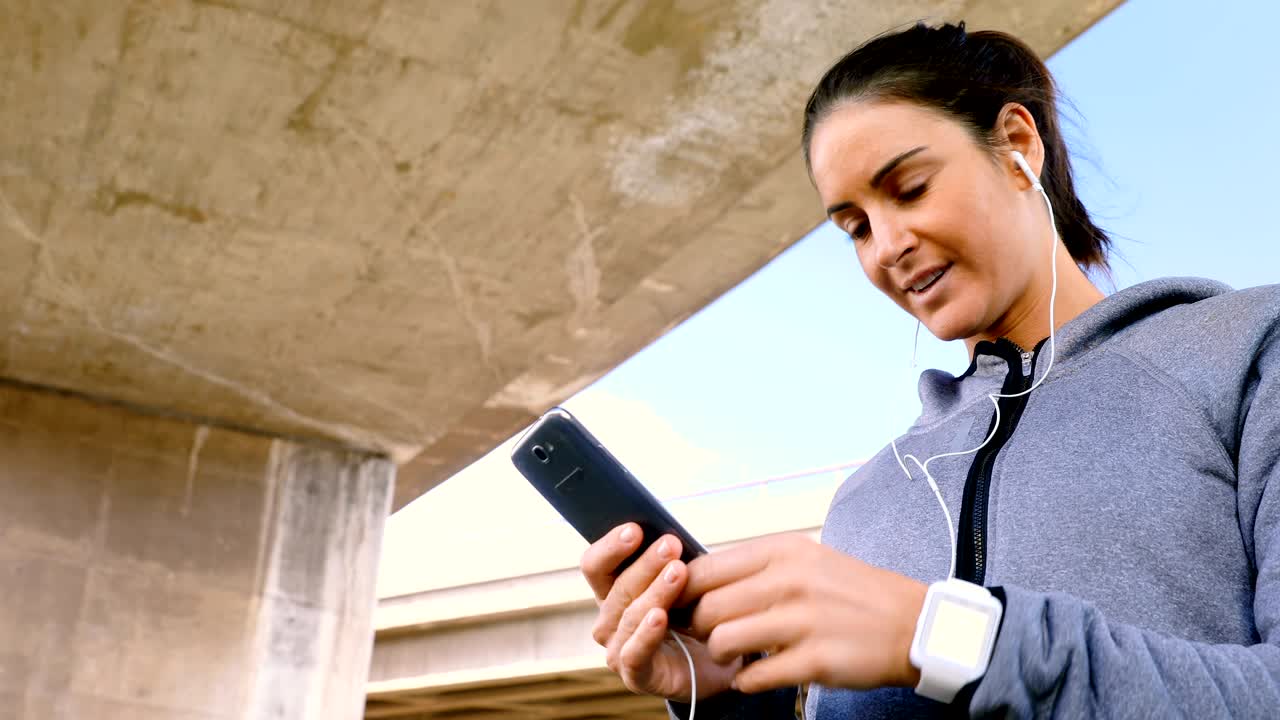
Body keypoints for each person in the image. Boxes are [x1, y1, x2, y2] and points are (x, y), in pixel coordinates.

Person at [579, 21, 1280, 719]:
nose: (886, 246)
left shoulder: (1246, 355)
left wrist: (941, 636)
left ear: (1016, 146)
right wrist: (727, 696)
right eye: (854, 226)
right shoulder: (864, 504)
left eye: (910, 188)